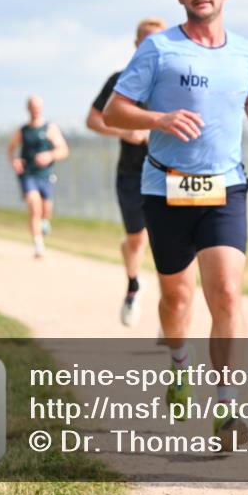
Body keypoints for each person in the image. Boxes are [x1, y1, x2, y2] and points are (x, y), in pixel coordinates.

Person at [104, 0, 248, 449]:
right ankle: (179, 359)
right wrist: (159, 120)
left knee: (226, 291)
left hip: (225, 185)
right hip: (165, 186)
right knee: (177, 297)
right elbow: (116, 111)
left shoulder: (247, 50)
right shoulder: (158, 50)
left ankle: (227, 407)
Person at [87, 17, 168, 325]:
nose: (152, 46)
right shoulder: (121, 80)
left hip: (168, 174)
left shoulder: (173, 82)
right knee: (136, 240)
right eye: (146, 40)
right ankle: (134, 285)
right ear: (136, 44)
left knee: (167, 243)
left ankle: (171, 312)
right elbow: (94, 120)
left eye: (159, 40)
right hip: (132, 173)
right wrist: (124, 132)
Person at [7, 95, 69, 258]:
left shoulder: (50, 128)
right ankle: (38, 245)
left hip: (46, 175)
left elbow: (64, 150)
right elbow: (11, 148)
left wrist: (50, 155)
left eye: (38, 107)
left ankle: (44, 222)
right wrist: (15, 161)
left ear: (41, 108)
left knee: (45, 210)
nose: (35, 110)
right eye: (32, 107)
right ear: (28, 108)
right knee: (34, 206)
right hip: (28, 174)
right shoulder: (22, 130)